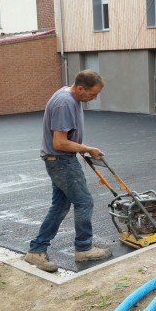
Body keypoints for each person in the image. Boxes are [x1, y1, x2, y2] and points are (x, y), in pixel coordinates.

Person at [24, 70, 112, 272]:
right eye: (92, 94)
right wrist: (87, 149)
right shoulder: (65, 103)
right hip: (61, 161)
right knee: (84, 201)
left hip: (60, 159)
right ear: (80, 88)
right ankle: (84, 248)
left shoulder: (69, 95)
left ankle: (36, 251)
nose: (94, 98)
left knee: (60, 206)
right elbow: (60, 142)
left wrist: (80, 148)